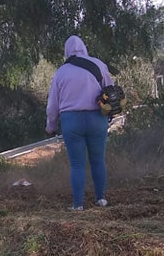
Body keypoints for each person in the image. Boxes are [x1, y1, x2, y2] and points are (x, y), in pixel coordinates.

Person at [46, 35, 113, 211]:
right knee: (98, 160)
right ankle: (101, 199)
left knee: (77, 164)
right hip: (97, 119)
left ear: (66, 51)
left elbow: (52, 105)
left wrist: (50, 126)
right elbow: (110, 90)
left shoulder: (61, 72)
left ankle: (78, 205)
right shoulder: (98, 65)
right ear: (84, 48)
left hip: (71, 120)